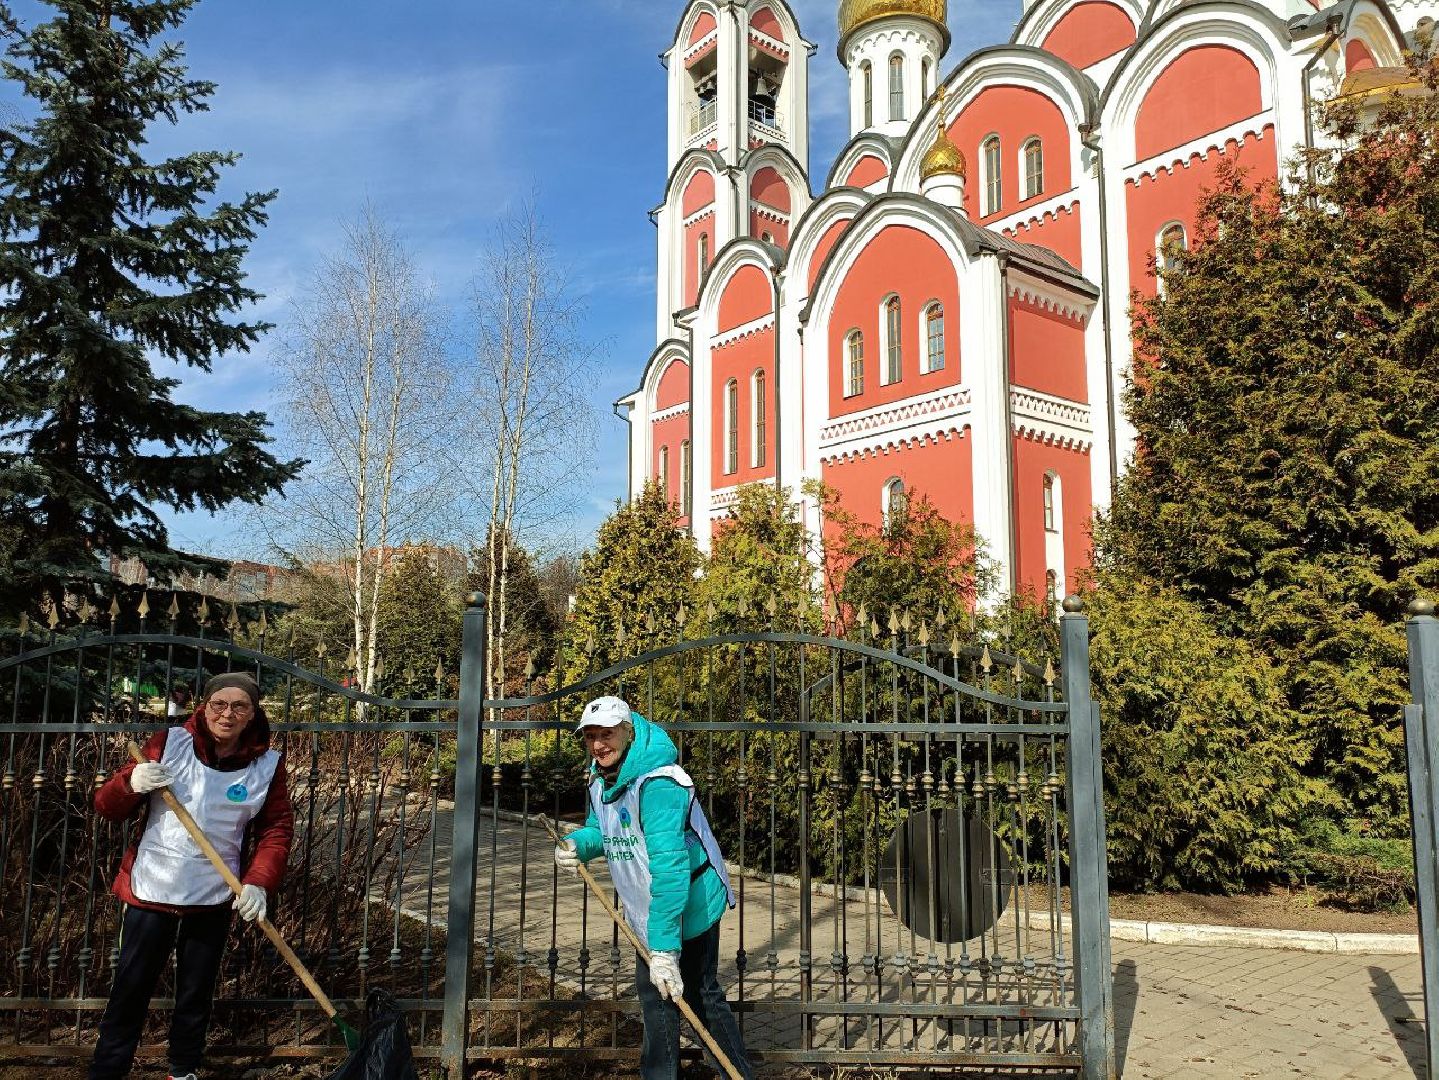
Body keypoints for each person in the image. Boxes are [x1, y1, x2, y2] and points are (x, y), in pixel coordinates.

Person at [90, 673, 295, 1080]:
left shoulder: (265, 767)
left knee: (195, 994)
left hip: (213, 895)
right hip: (152, 890)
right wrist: (130, 783)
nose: (228, 714)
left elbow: (276, 830)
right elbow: (107, 807)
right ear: (204, 707)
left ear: (253, 715)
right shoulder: (168, 745)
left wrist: (259, 881)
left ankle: (182, 1070)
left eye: (240, 706)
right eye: (219, 704)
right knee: (130, 990)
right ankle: (108, 1071)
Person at [555, 695, 754, 1079]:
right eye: (591, 736)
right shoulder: (601, 778)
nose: (599, 744)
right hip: (647, 907)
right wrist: (579, 845)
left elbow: (671, 871)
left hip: (689, 904)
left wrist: (663, 950)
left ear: (628, 733)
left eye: (607, 734)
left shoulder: (660, 783)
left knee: (698, 995)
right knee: (655, 999)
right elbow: (604, 829)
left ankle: (738, 1074)